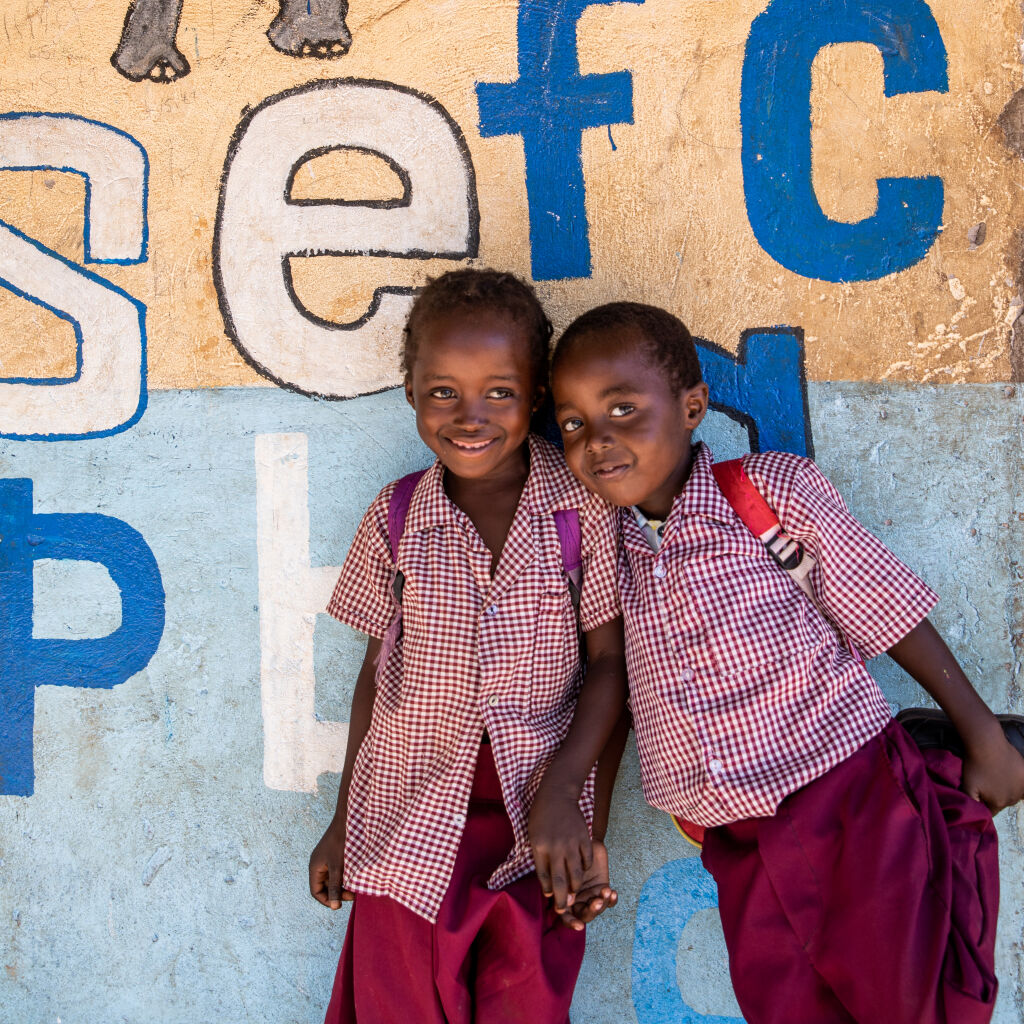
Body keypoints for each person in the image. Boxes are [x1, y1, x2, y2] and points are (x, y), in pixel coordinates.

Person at [531, 300, 1024, 1024]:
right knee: (788, 1006)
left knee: (906, 1002)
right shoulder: (608, 549)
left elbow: (887, 611)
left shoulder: (768, 493)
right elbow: (614, 691)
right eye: (573, 424)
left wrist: (982, 735)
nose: (597, 440)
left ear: (693, 405)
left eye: (624, 408)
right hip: (736, 839)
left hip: (849, 794)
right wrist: (590, 829)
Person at [308, 270, 629, 1024]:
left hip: (535, 835)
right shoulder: (394, 517)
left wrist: (578, 811)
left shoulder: (580, 512)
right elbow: (374, 677)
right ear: (411, 389)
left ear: (537, 398)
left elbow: (611, 665)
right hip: (404, 825)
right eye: (443, 391)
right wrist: (342, 820)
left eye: (500, 392)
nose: (469, 416)